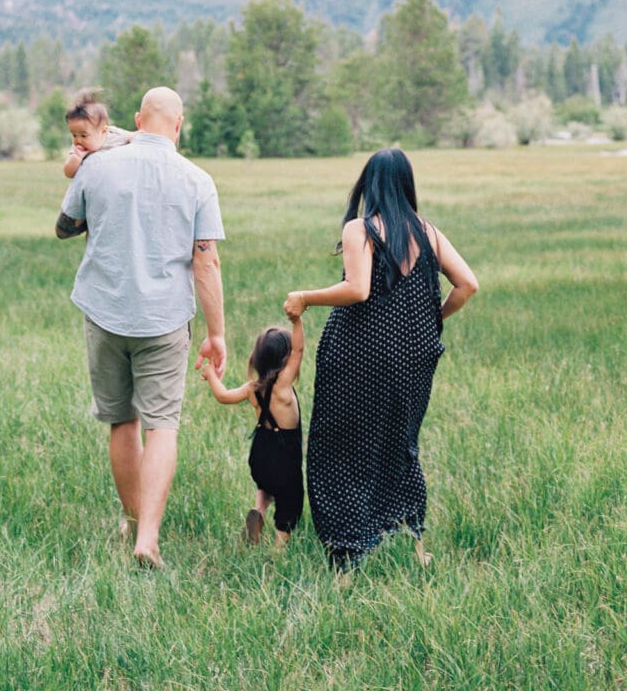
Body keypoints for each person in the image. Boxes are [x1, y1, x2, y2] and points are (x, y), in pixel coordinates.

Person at [56, 86, 227, 569]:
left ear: (136, 119)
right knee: (161, 426)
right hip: (165, 319)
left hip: (106, 311)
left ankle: (132, 520)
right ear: (180, 124)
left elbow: (64, 226)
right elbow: (206, 262)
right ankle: (147, 537)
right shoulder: (197, 179)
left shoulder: (97, 166)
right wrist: (217, 334)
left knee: (122, 420)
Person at [284, 148, 478, 571]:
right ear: (407, 185)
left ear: (368, 184)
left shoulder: (362, 229)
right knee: (400, 444)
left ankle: (349, 548)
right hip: (416, 355)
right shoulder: (428, 232)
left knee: (342, 446)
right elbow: (468, 284)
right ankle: (410, 539)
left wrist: (305, 298)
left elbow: (357, 289)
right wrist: (430, 317)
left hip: (360, 356)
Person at [201, 314, 305, 548]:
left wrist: (210, 375)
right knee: (290, 499)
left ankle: (259, 510)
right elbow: (298, 351)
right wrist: (297, 321)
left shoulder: (252, 389)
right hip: (284, 454)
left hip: (260, 453)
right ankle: (280, 548)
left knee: (267, 485)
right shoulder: (282, 386)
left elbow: (223, 396)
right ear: (285, 359)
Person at [63, 88, 133, 179]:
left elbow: (133, 136)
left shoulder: (114, 134)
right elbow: (68, 173)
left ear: (103, 131)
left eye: (84, 135)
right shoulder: (77, 150)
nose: (78, 140)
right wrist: (76, 158)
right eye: (74, 135)